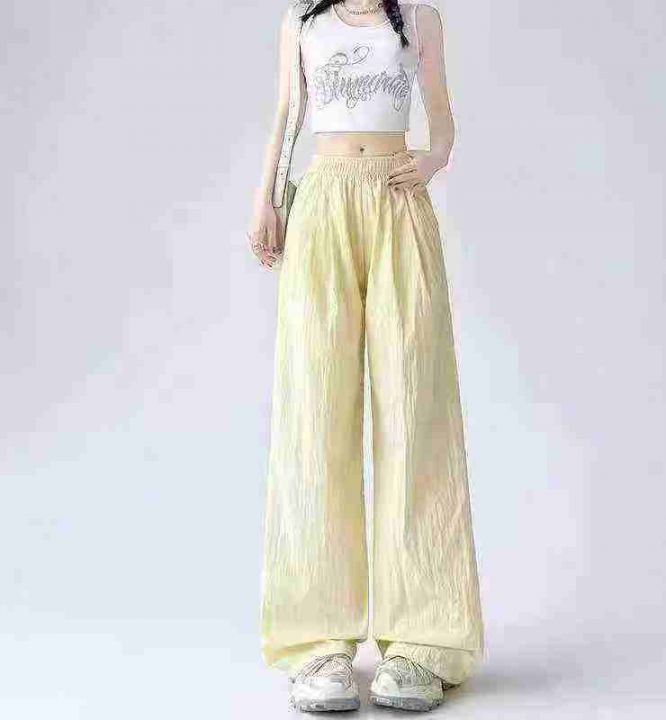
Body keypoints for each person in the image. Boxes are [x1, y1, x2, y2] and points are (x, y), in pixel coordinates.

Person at [248, 0, 484, 712]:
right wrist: (266, 198)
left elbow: (442, 118)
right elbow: (287, 113)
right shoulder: (303, 20)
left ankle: (421, 641)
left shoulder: (420, 17)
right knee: (315, 411)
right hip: (323, 202)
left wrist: (432, 159)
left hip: (396, 202)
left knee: (415, 410)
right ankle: (318, 642)